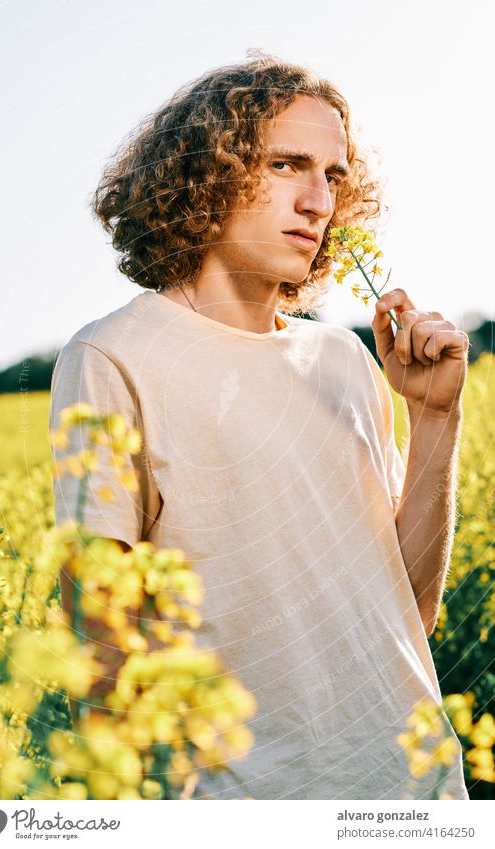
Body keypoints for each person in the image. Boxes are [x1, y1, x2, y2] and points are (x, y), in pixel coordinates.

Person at [49, 50, 470, 800]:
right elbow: (101, 646)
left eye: (334, 176)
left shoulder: (342, 359)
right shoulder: (112, 356)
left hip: (416, 790)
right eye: (286, 165)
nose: (318, 200)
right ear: (203, 174)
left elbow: (411, 614)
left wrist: (434, 417)